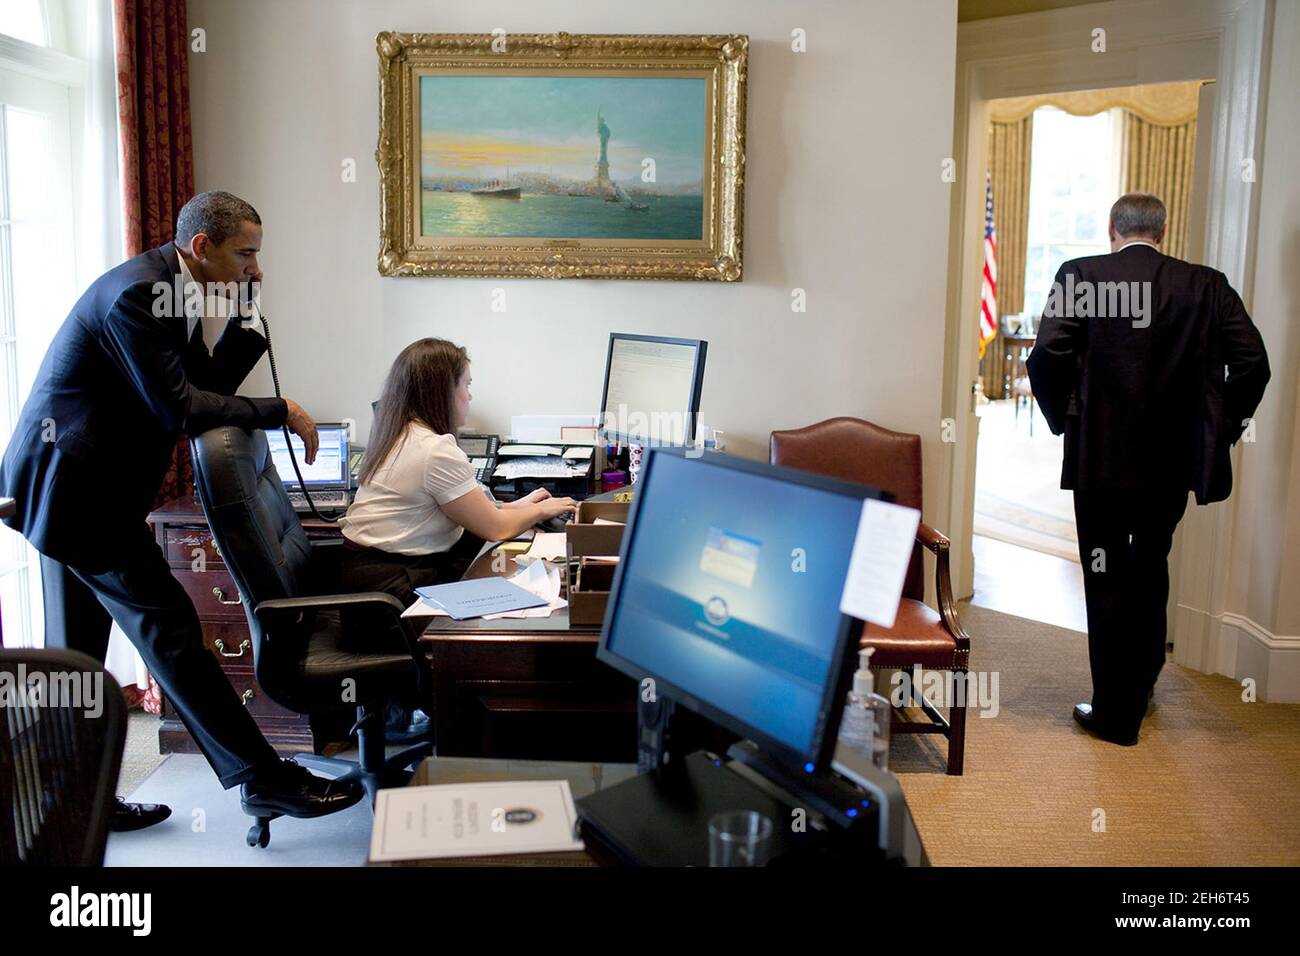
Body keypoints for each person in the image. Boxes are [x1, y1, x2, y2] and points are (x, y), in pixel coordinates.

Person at [0, 190, 362, 830]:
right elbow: (181, 411)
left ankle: (76, 805)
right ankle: (263, 779)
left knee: (76, 658)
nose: (255, 267)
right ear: (203, 246)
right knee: (169, 633)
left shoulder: (178, 289)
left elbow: (206, 389)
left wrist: (250, 319)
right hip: (74, 492)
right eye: (246, 254)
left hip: (76, 488)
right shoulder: (139, 295)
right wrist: (280, 410)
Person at [1027, 192, 1270, 746]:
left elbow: (1046, 356)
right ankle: (1141, 684)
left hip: (1100, 460)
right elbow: (1253, 362)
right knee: (1151, 565)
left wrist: (1067, 419)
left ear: (1112, 227)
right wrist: (1216, 425)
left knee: (1106, 574)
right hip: (1171, 462)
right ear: (1162, 230)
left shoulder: (1081, 275)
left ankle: (1116, 713)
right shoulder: (1205, 285)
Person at [339, 338, 577, 614]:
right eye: (466, 384)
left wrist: (521, 506)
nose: (470, 395)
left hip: (367, 585)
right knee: (514, 601)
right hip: (387, 599)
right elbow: (495, 527)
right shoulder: (433, 450)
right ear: (441, 392)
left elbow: (466, 509)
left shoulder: (399, 434)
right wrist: (542, 510)